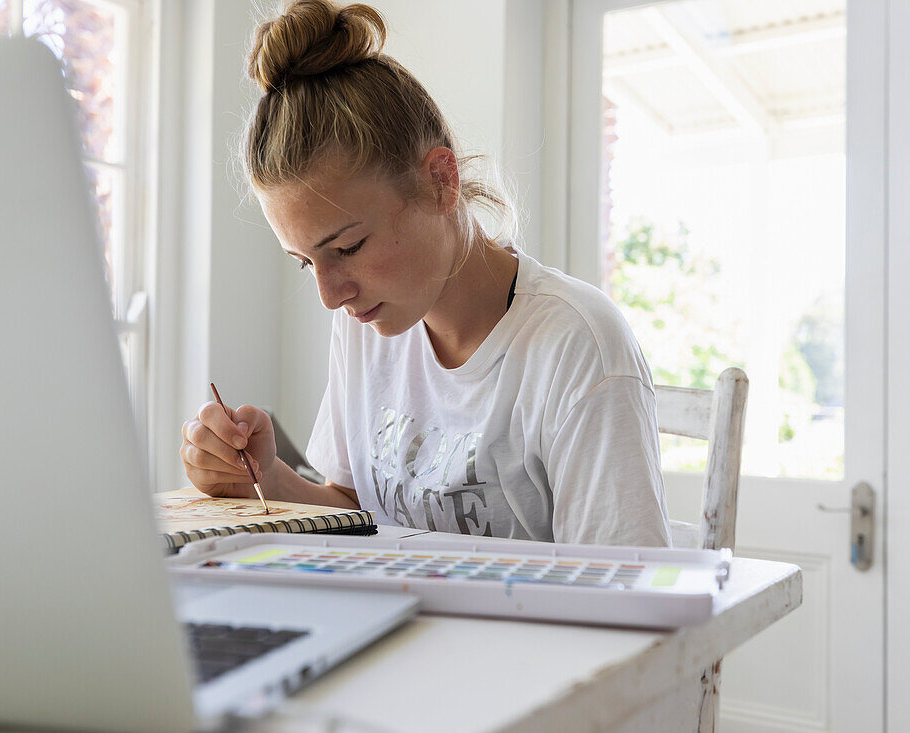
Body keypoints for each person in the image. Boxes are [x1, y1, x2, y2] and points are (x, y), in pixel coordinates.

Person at [180, 0, 671, 547]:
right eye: (306, 263)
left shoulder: (574, 347)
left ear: (442, 181)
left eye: (348, 246)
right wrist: (262, 478)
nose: (329, 295)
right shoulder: (366, 321)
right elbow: (358, 511)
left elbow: (626, 587)